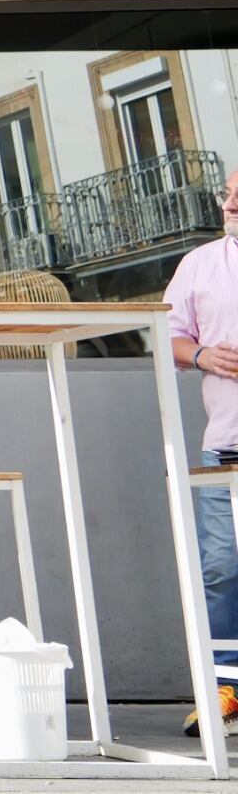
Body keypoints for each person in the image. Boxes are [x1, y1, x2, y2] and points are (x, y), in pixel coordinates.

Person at [167, 168, 238, 736]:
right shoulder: (199, 264)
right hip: (226, 446)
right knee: (222, 568)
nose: (231, 203)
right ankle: (226, 689)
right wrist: (200, 356)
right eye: (228, 194)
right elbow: (165, 335)